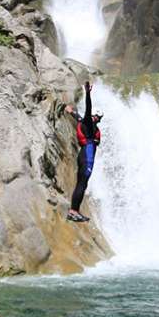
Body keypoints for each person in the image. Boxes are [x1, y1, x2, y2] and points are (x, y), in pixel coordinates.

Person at [64, 81, 103, 223]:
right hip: (87, 156)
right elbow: (87, 110)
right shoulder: (90, 125)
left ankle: (75, 210)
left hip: (84, 154)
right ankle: (73, 211)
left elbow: (79, 117)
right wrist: (88, 93)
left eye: (99, 118)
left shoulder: (87, 123)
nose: (98, 120)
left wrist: (71, 112)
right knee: (82, 183)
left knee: (82, 183)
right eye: (98, 117)